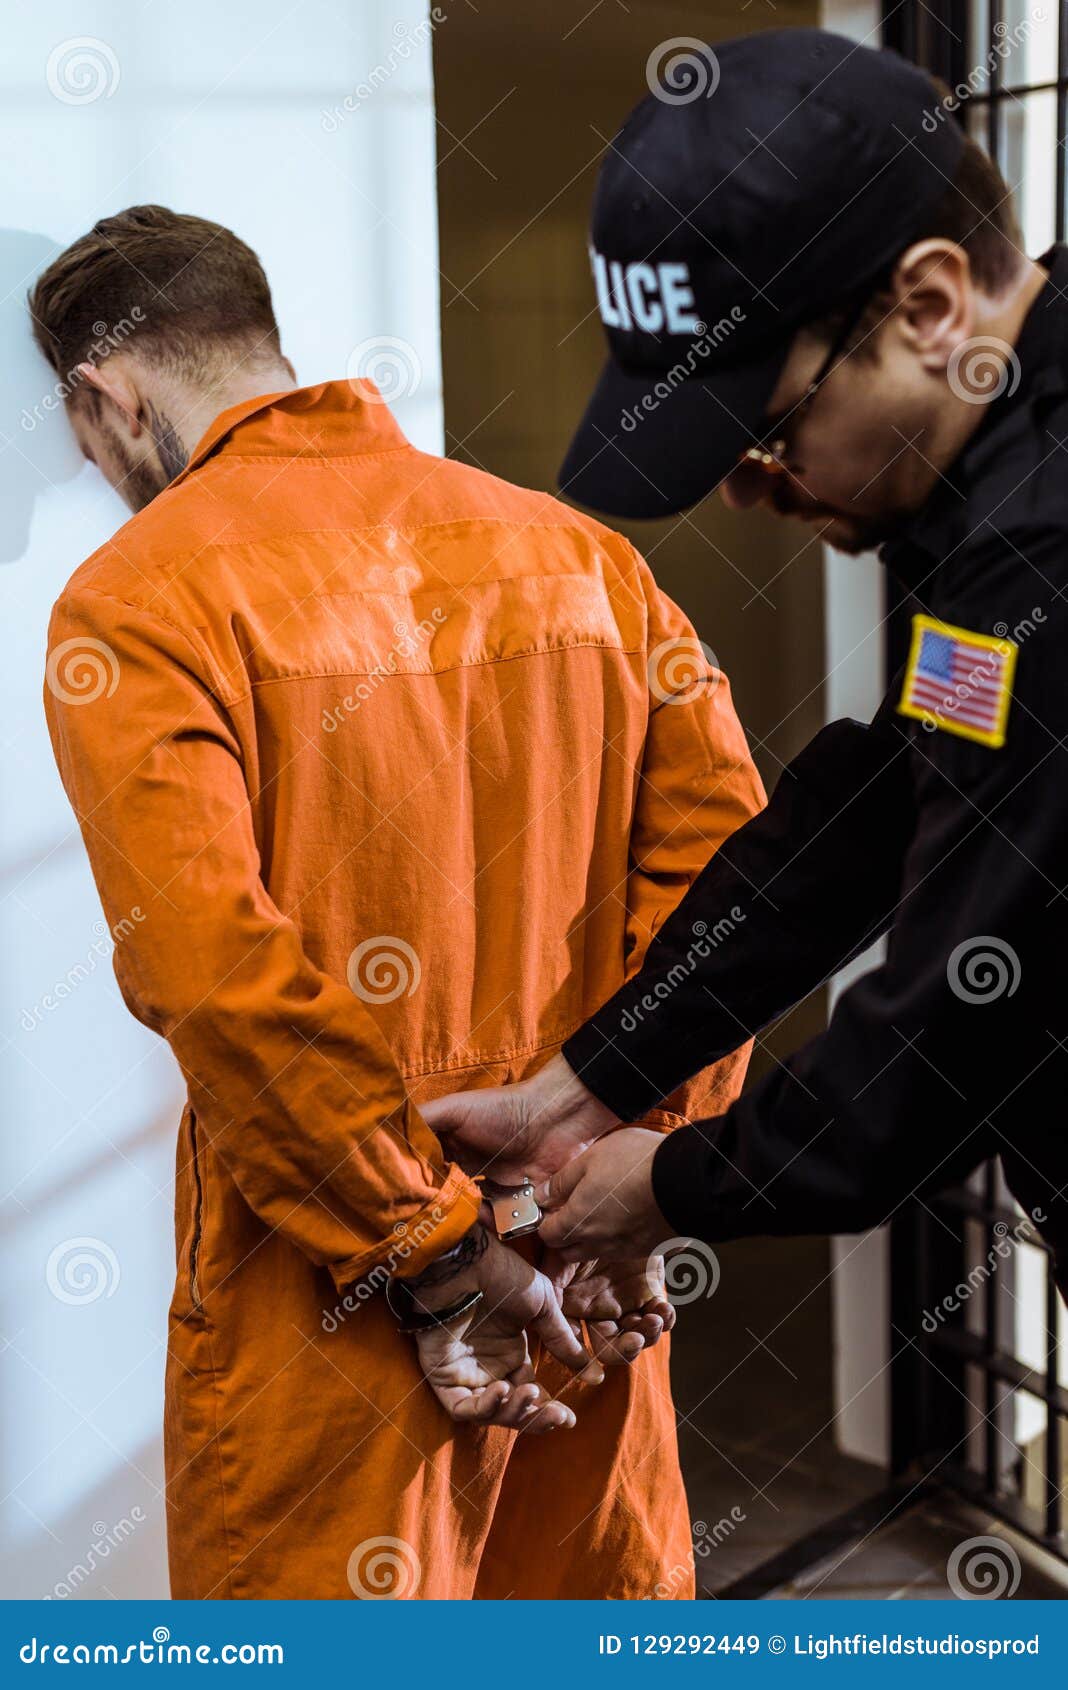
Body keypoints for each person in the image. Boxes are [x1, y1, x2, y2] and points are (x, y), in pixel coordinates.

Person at [33, 204, 764, 1598]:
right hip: (578, 1263)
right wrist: (629, 1162)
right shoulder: (580, 557)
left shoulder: (137, 600)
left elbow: (210, 969)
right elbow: (730, 878)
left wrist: (429, 1255)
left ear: (106, 395)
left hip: (332, 1297)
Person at [421, 29, 1068, 1299]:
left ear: (931, 307)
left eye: (770, 430)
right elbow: (889, 802)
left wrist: (676, 1185)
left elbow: (968, 993)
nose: (747, 490)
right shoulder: (1002, 461)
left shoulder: (1038, 549)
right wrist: (591, 1079)